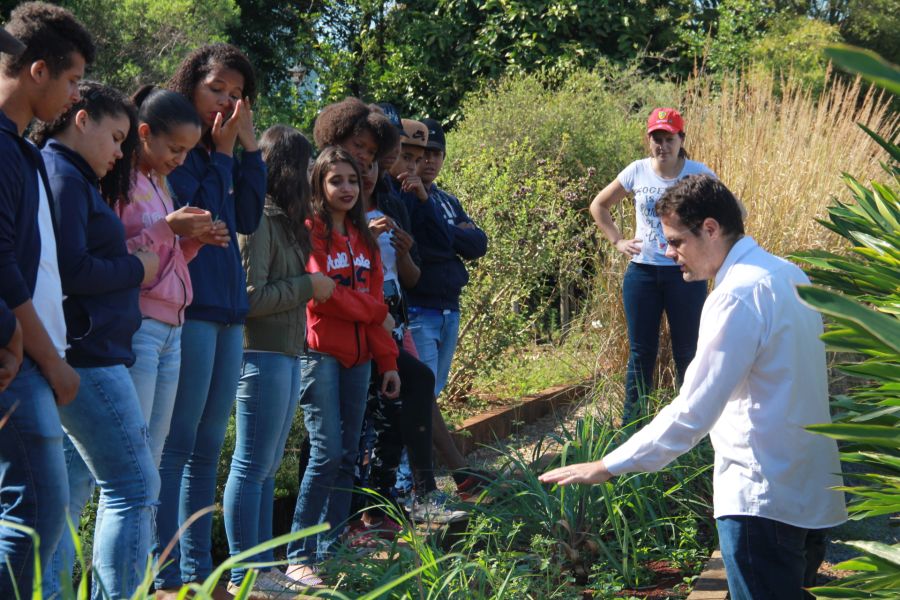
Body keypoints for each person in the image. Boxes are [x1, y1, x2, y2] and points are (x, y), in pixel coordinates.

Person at [541, 175, 847, 600]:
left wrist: (608, 465)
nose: (668, 253)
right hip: (807, 490)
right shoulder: (788, 273)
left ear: (710, 228)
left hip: (761, 497)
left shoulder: (735, 296)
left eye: (675, 241)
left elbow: (693, 412)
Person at [34, 80, 159, 600]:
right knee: (134, 487)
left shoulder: (65, 174)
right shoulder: (64, 176)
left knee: (63, 496)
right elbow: (70, 269)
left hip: (83, 353)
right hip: (87, 357)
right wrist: (136, 267)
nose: (119, 153)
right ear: (80, 119)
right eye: (115, 137)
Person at [154, 43, 266, 597]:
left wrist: (248, 149)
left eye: (236, 95)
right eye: (216, 88)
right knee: (176, 447)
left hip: (229, 312)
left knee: (207, 449)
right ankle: (166, 576)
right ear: (189, 85)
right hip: (191, 309)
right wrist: (221, 154)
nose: (225, 101)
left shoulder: (225, 146)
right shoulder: (176, 149)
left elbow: (245, 216)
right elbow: (197, 216)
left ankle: (201, 575)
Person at [0, 4, 91, 596]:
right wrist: (48, 358)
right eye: (73, 78)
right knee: (32, 513)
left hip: (22, 350)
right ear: (38, 71)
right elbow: (2, 262)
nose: (76, 93)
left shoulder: (18, 149)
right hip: (21, 360)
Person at [223, 125, 334, 598]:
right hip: (259, 354)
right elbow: (250, 297)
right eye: (306, 165)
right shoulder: (259, 221)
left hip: (286, 354)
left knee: (267, 467)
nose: (311, 176)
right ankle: (246, 574)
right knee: (251, 465)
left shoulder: (286, 222)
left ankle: (264, 567)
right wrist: (310, 287)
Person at [285, 146, 400, 587]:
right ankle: (300, 553)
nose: (347, 188)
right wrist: (375, 314)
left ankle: (331, 545)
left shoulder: (364, 238)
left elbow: (369, 301)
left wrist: (387, 360)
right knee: (326, 451)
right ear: (319, 183)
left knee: (349, 453)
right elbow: (321, 294)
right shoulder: (311, 233)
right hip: (321, 355)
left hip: (362, 359)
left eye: (352, 180)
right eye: (337, 181)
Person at [118, 86, 227, 467]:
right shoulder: (122, 182)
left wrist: (195, 242)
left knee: (153, 454)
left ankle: (146, 531)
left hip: (172, 330)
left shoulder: (160, 184)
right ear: (144, 133)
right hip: (140, 327)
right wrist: (168, 227)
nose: (180, 160)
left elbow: (165, 257)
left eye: (187, 152)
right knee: (131, 457)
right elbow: (120, 257)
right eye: (175, 149)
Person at [588, 108, 715, 425]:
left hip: (685, 276)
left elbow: (733, 210)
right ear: (649, 141)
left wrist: (707, 250)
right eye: (657, 139)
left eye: (669, 138)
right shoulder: (636, 171)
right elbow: (599, 205)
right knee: (641, 353)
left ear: (681, 139)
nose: (663, 146)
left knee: (688, 351)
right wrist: (618, 241)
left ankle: (692, 425)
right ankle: (633, 425)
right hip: (643, 273)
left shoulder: (698, 173)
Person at [402, 117, 491, 498]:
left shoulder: (444, 199)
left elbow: (478, 245)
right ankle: (416, 481)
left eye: (436, 154)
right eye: (422, 155)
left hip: (448, 308)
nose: (430, 162)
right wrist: (451, 238)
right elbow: (435, 246)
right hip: (419, 308)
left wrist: (448, 236)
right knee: (418, 397)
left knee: (429, 395)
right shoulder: (405, 195)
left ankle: (423, 481)